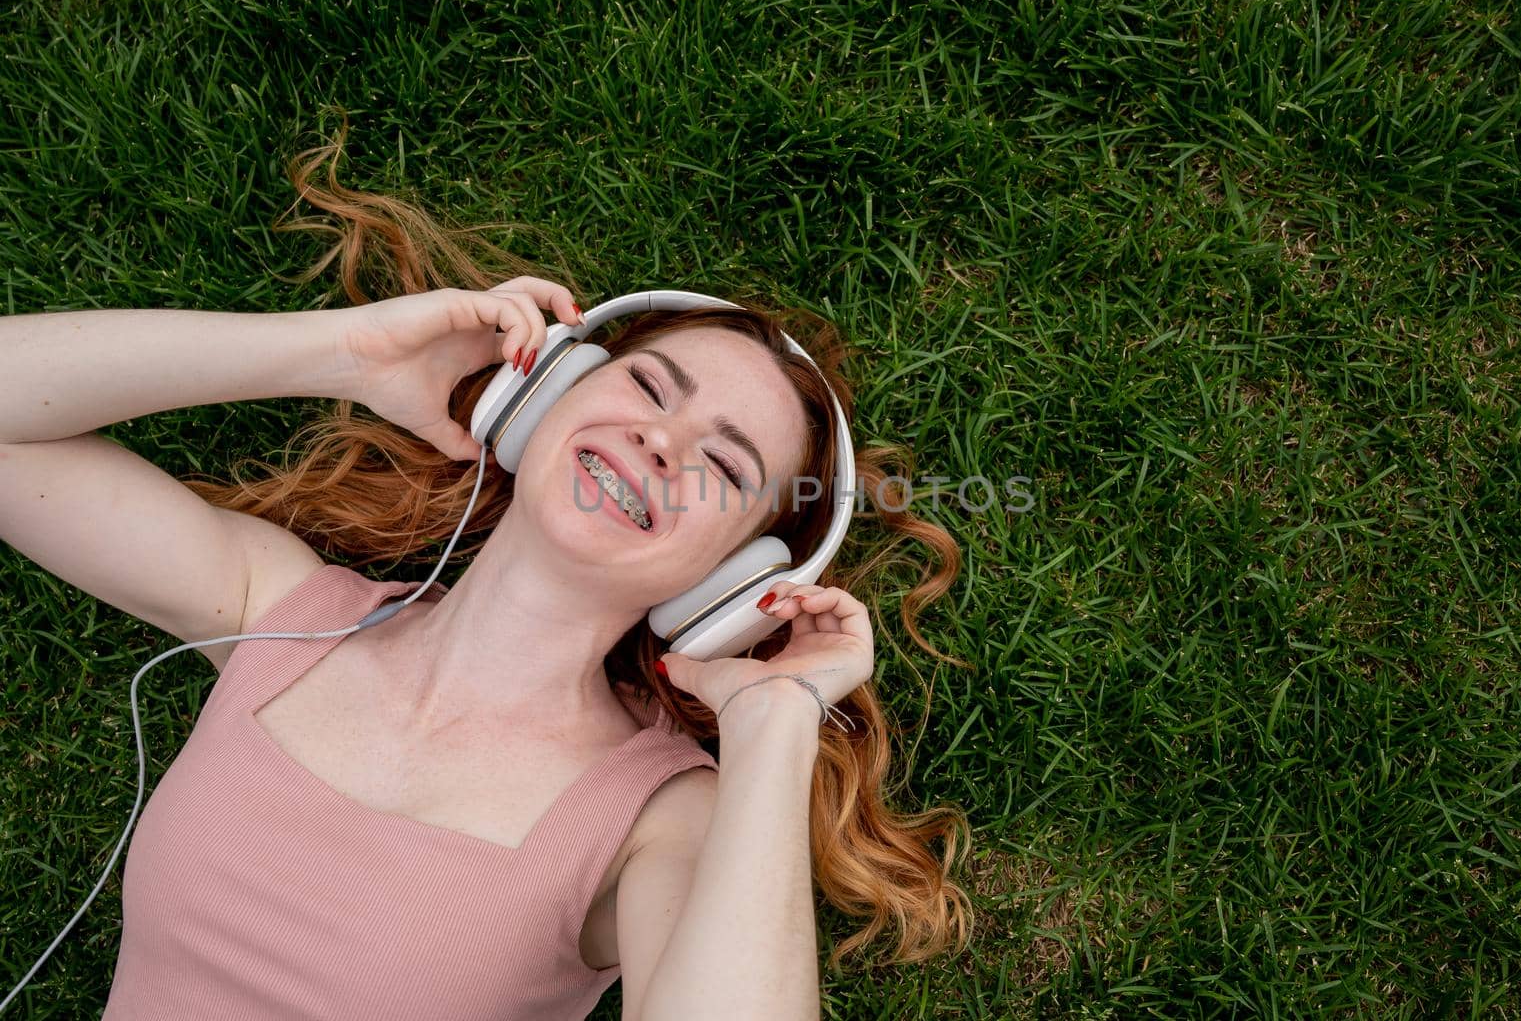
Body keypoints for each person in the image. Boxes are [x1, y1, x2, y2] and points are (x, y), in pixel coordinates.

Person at [0, 124, 973, 1020]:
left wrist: (774, 726)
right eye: (647, 386)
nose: (659, 440)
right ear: (536, 396)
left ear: (735, 579)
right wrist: (341, 353)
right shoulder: (280, 614)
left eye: (722, 465)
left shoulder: (660, 818)